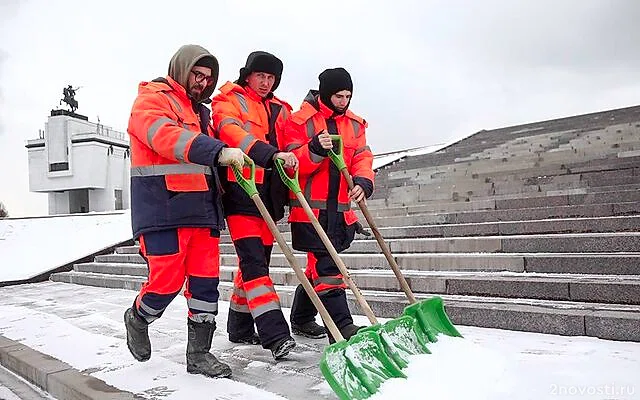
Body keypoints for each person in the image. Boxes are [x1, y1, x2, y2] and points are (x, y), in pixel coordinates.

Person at [123, 44, 245, 379]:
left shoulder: (203, 113)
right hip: (163, 209)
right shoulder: (152, 98)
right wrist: (216, 149)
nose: (202, 83)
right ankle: (139, 317)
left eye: (208, 78)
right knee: (166, 281)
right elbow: (164, 136)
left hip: (203, 212)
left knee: (206, 286)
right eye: (197, 74)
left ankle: (200, 355)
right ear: (181, 68)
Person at [211, 51, 298, 360]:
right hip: (240, 191)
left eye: (271, 78)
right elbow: (231, 131)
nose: (266, 82)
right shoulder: (228, 100)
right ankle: (275, 334)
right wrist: (267, 153)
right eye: (261, 76)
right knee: (254, 263)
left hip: (271, 197)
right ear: (248, 75)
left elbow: (293, 141)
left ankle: (239, 325)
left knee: (255, 261)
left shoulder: (281, 109)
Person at [280, 67, 375, 343]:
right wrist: (314, 150)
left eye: (348, 96)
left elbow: (362, 156)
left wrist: (363, 181)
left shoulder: (355, 125)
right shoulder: (301, 120)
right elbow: (291, 165)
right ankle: (342, 328)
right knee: (329, 268)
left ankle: (301, 318)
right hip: (310, 212)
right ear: (324, 93)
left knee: (317, 270)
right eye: (338, 96)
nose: (344, 102)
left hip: (341, 212)